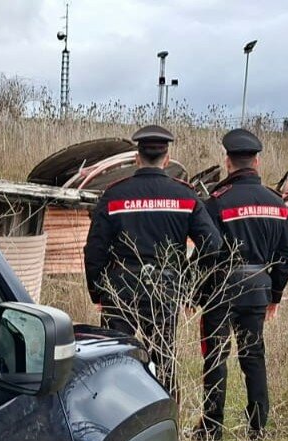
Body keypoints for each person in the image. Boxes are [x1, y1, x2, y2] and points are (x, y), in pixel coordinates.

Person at [83, 125, 221, 399]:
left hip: (121, 288)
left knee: (112, 360)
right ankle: (166, 415)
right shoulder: (185, 196)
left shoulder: (115, 194)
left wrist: (98, 291)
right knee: (163, 360)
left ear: (137, 158)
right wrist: (185, 280)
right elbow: (213, 244)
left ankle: (114, 415)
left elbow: (95, 249)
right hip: (165, 287)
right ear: (167, 160)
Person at [195, 128, 288, 441]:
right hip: (257, 288)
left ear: (227, 162)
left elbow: (205, 252)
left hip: (221, 290)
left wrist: (196, 293)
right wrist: (275, 296)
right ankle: (258, 427)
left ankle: (211, 429)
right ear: (257, 162)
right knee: (253, 358)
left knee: (215, 357)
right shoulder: (277, 203)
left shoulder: (216, 203)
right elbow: (286, 256)